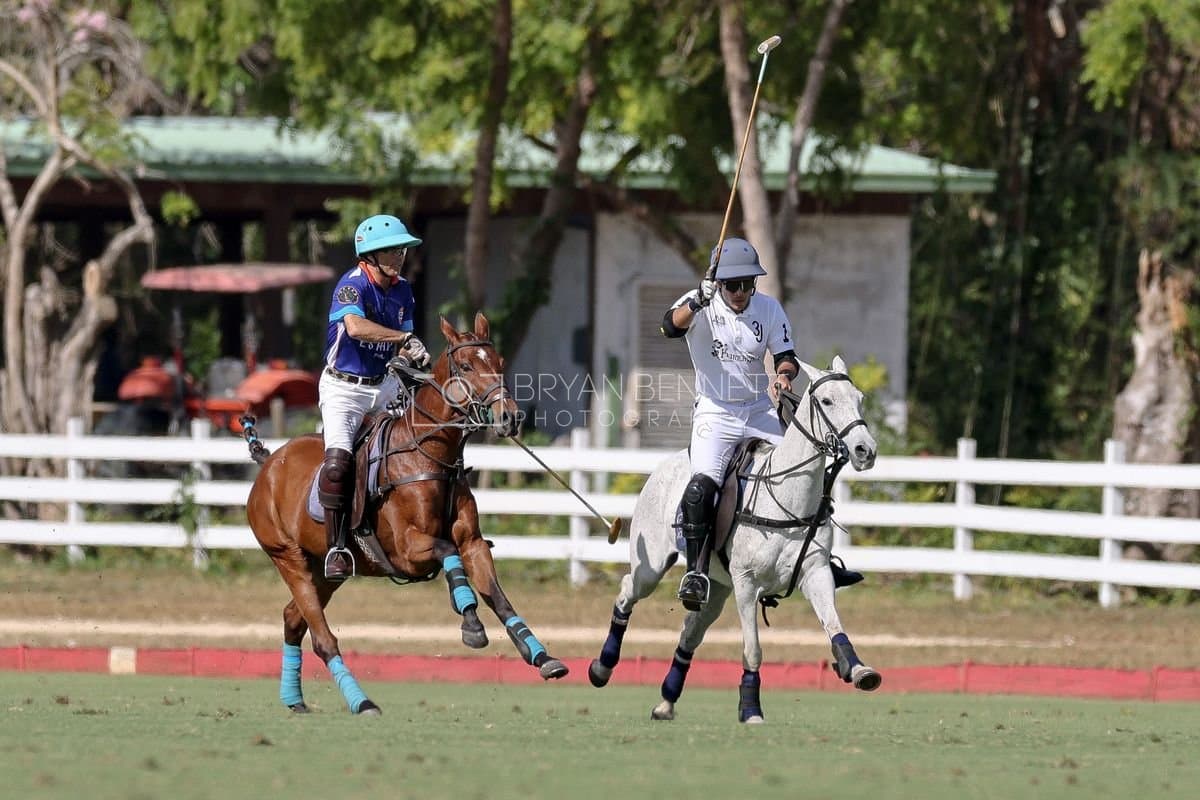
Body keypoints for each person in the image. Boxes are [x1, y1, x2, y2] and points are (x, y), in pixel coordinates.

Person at [661, 237, 861, 610]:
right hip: (715, 412)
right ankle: (697, 571)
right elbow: (668, 328)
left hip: (757, 408)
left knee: (799, 471)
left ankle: (819, 558)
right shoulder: (700, 303)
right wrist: (695, 302)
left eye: (747, 284)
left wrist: (783, 376)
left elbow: (786, 356)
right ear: (718, 282)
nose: (740, 292)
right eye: (732, 285)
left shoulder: (768, 309)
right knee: (702, 487)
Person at [318, 213, 431, 581]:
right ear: (369, 256)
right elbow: (355, 327)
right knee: (338, 464)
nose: (399, 255)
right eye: (391, 250)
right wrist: (402, 340)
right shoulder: (351, 286)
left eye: (401, 249)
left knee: (424, 440)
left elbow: (403, 341)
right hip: (343, 390)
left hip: (383, 385)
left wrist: (412, 356)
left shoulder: (403, 291)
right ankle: (336, 548)